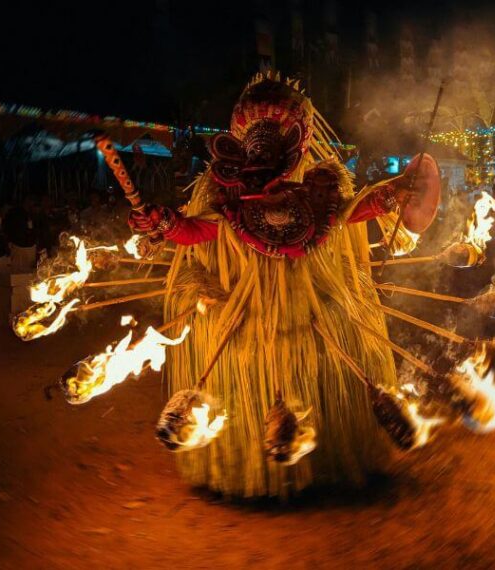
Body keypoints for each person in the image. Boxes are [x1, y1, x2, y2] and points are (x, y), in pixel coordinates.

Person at [128, 73, 440, 498]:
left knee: (328, 359)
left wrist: (393, 194)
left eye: (275, 142)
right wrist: (163, 223)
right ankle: (255, 469)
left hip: (311, 309)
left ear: (296, 143)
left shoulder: (322, 189)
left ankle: (319, 464)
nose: (263, 158)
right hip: (245, 315)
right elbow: (198, 231)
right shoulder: (223, 196)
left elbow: (349, 212)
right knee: (252, 380)